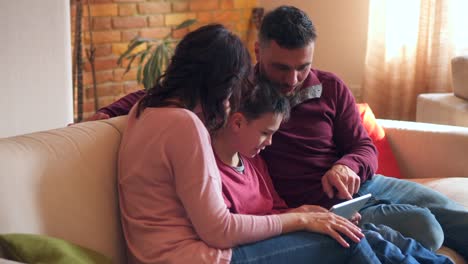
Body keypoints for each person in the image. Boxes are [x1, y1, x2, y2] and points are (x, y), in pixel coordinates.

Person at [92, 6, 468, 259]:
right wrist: (101, 116)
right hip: (300, 207)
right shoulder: (235, 97)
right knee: (406, 233)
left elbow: (362, 144)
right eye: (280, 67)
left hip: (359, 187)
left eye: (302, 67)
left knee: (445, 210)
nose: (292, 79)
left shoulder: (331, 86)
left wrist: (349, 165)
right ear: (258, 53)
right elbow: (167, 96)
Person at [119, 23, 382, 264]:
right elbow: (220, 231)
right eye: (235, 88)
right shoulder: (185, 125)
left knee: (342, 232)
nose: (233, 99)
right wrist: (300, 218)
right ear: (221, 83)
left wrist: (303, 215)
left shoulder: (143, 110)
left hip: (153, 255)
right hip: (194, 258)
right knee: (344, 242)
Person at [213, 79, 451, 263]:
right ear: (236, 122)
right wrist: (302, 220)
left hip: (325, 206)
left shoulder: (254, 161)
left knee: (371, 232)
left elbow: (278, 208)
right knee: (353, 237)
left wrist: (310, 213)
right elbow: (235, 228)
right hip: (268, 241)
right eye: (266, 133)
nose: (270, 143)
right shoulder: (214, 172)